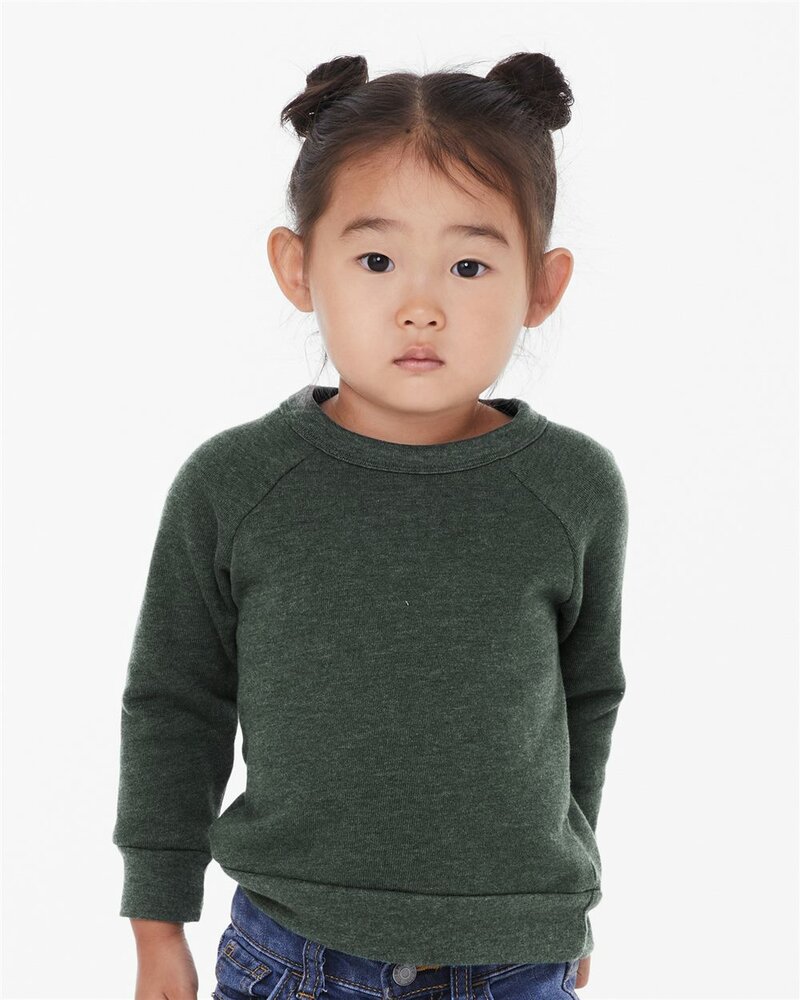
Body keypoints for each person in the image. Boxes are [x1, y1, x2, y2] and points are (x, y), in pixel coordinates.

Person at [112, 51, 629, 1000]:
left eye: (469, 265)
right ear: (298, 266)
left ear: (543, 285)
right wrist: (157, 922)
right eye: (377, 260)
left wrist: (565, 902)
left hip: (516, 961)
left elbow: (585, 700)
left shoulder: (571, 488)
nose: (421, 307)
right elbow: (176, 705)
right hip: (292, 954)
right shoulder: (236, 484)